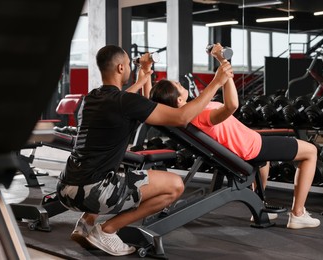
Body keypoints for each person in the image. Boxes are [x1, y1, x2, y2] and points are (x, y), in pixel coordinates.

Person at [56, 45, 234, 256]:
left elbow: (129, 101)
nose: (131, 69)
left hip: (66, 189)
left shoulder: (91, 98)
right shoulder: (124, 101)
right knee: (175, 185)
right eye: (130, 66)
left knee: (110, 173)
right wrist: (217, 82)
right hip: (93, 192)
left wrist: (142, 79)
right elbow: (181, 117)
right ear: (121, 67)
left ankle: (85, 224)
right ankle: (107, 230)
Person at [149, 43, 320, 230]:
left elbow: (148, 103)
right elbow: (231, 106)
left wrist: (145, 71)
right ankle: (298, 213)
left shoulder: (188, 113)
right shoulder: (199, 115)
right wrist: (221, 68)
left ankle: (259, 207)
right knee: (310, 151)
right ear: (179, 100)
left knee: (266, 162)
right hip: (252, 148)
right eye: (178, 86)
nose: (181, 84)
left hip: (250, 143)